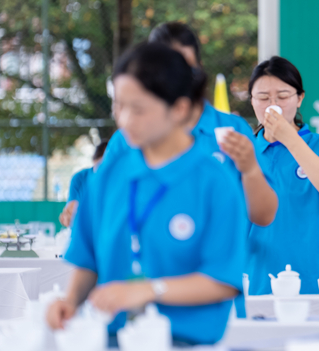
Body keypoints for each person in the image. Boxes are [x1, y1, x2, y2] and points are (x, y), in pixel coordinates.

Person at [46, 42, 246, 346]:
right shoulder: (110, 175)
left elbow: (222, 280)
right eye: (119, 106)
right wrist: (70, 301)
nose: (125, 120)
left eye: (138, 109)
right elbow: (87, 258)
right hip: (112, 346)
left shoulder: (215, 181)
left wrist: (149, 290)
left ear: (179, 108)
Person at [101, 22, 277, 227]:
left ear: (200, 69)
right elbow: (104, 214)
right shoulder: (127, 139)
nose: (178, 78)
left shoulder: (233, 130)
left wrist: (251, 170)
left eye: (187, 67)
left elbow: (264, 216)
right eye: (165, 70)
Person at [243, 56, 319, 296]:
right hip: (259, 281)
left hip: (317, 280)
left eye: (282, 96)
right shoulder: (243, 152)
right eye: (262, 98)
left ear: (299, 98)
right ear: (252, 101)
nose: (273, 104)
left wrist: (289, 137)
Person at [59, 139, 108, 227]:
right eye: (98, 169)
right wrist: (69, 216)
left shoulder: (123, 183)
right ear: (94, 160)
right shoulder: (80, 179)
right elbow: (71, 210)